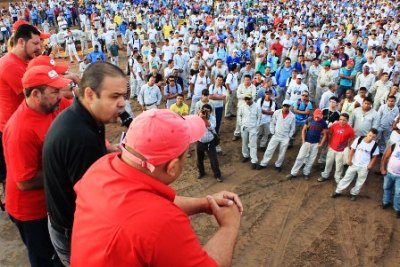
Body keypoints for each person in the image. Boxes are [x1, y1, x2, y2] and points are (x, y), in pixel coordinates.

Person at [71, 109, 242, 266]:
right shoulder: (162, 222)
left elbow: (145, 209)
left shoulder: (101, 167)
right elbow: (154, 217)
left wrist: (204, 203)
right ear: (172, 167)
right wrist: (229, 226)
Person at [43, 62, 127, 265]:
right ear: (90, 95)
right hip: (74, 232)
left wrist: (107, 150)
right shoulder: (79, 136)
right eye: (114, 96)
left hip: (66, 222)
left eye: (124, 95)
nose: (123, 103)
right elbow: (94, 202)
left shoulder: (86, 118)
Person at [4, 65, 71, 267]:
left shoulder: (52, 106)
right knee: (45, 258)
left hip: (50, 202)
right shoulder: (20, 130)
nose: (61, 96)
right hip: (32, 211)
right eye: (55, 91)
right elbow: (25, 181)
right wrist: (64, 170)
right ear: (36, 94)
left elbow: (78, 115)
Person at [0, 24, 41, 185]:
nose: (39, 48)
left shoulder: (21, 61)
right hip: (12, 129)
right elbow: (37, 93)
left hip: (20, 124)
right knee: (21, 176)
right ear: (22, 42)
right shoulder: (10, 65)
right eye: (35, 43)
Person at [332, 128, 379, 201]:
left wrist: (370, 165)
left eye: (373, 137)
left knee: (360, 181)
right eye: (370, 135)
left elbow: (375, 156)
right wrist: (349, 160)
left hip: (364, 167)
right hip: (354, 163)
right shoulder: (359, 139)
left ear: (375, 137)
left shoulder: (375, 145)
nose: (371, 138)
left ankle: (354, 193)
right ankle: (338, 191)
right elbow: (352, 150)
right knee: (347, 177)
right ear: (367, 133)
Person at [286, 108, 327, 180]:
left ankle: (306, 173)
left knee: (311, 159)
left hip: (315, 143)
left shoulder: (323, 123)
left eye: (319, 117)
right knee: (300, 157)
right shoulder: (310, 119)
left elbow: (325, 134)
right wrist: (303, 140)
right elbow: (304, 130)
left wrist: (321, 143)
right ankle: (293, 173)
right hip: (307, 142)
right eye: (316, 116)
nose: (317, 118)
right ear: (314, 114)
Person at [257, 100, 296, 172]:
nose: (286, 107)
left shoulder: (292, 116)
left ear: (289, 107)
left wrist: (289, 136)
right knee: (269, 149)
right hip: (276, 135)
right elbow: (272, 122)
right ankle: (263, 163)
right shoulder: (277, 112)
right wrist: (273, 131)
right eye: (285, 106)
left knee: (282, 152)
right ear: (282, 105)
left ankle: (278, 165)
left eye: (287, 106)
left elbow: (293, 128)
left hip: (285, 137)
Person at [318, 113, 355, 183]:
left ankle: (337, 178)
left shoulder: (350, 129)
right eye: (340, 119)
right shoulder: (334, 125)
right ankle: (325, 175)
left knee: (339, 166)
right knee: (328, 163)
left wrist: (348, 146)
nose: (341, 121)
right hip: (332, 148)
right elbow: (329, 134)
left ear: (347, 121)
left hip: (341, 150)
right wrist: (329, 143)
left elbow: (352, 138)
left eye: (344, 120)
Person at [196, 104, 224, 182]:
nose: (206, 112)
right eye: (204, 110)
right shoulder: (197, 118)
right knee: (199, 159)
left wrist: (204, 118)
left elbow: (211, 127)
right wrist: (199, 116)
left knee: (214, 160)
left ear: (210, 112)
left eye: (207, 111)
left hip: (210, 142)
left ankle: (217, 175)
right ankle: (201, 172)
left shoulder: (213, 118)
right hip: (200, 142)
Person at [239, 93, 262, 169]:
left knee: (253, 144)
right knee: (244, 143)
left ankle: (254, 160)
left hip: (253, 127)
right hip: (244, 127)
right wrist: (241, 124)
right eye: (246, 99)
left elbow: (259, 117)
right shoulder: (242, 106)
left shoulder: (257, 106)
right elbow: (239, 116)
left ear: (252, 99)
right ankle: (246, 155)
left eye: (249, 99)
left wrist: (257, 126)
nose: (247, 100)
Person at [232, 75, 256, 140]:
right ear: (243, 80)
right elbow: (238, 96)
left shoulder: (253, 87)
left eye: (248, 80)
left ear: (250, 80)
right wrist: (247, 95)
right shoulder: (240, 86)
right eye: (245, 80)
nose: (247, 81)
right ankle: (237, 134)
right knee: (239, 120)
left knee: (247, 120)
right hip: (240, 106)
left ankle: (245, 134)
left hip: (249, 107)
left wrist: (244, 96)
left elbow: (253, 97)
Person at [381, 141, 400, 218]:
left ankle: (397, 208)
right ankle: (386, 202)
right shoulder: (395, 145)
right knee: (386, 188)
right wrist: (383, 169)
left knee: (398, 193)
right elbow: (385, 157)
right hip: (389, 173)